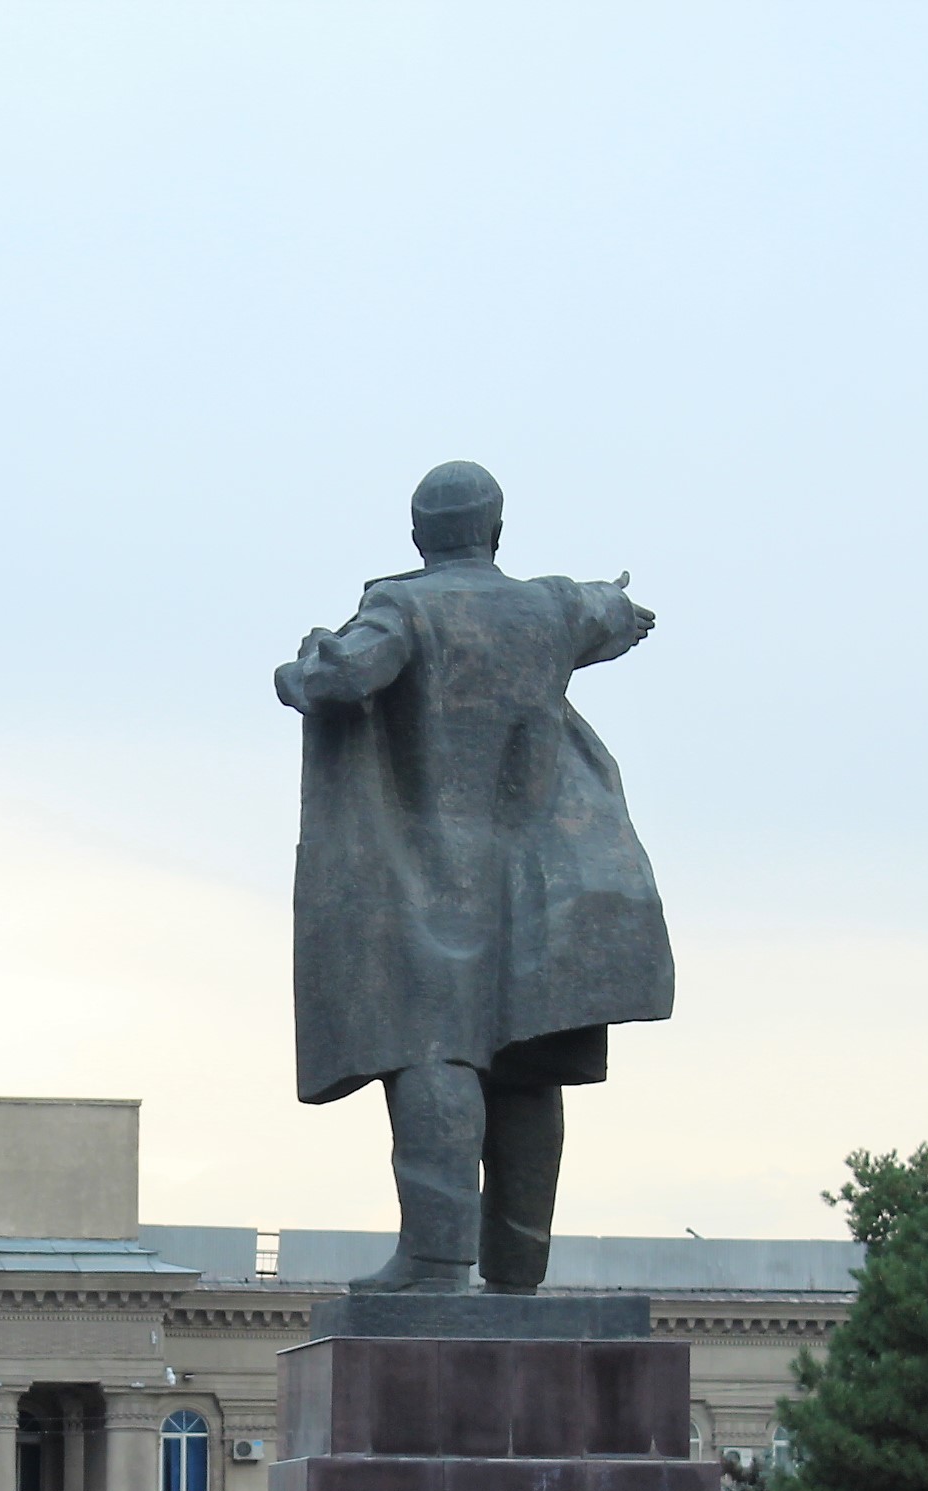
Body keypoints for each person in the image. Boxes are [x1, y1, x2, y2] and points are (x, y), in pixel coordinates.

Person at [273, 460, 669, 1293]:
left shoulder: (403, 606)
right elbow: (612, 611)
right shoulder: (551, 605)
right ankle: (519, 1268)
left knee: (436, 1057)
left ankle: (436, 1260)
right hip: (549, 886)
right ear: (496, 531)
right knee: (526, 1070)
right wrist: (620, 601)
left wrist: (304, 661)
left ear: (419, 536)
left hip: (429, 882)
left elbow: (343, 676)